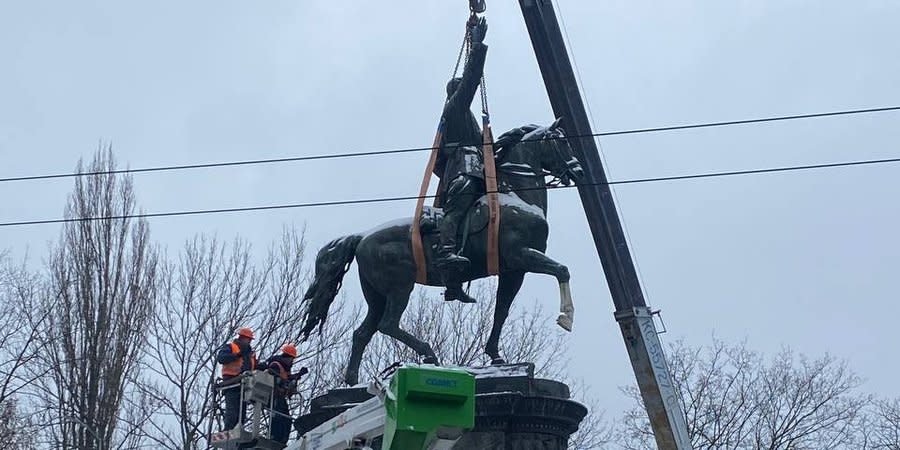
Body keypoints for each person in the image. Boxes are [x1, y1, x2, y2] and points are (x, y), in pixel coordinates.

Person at [434, 16, 489, 304]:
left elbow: (485, 146)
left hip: (479, 167)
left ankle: (457, 279)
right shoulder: (455, 108)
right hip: (463, 171)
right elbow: (470, 81)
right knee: (456, 210)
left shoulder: (467, 120)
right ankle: (445, 252)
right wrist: (476, 46)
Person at [261, 343, 308, 444]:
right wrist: (286, 384)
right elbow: (276, 380)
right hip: (273, 396)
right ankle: (275, 437)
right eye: (291, 359)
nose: (292, 361)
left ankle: (282, 440)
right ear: (287, 357)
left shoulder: (285, 369)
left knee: (287, 419)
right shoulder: (275, 365)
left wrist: (297, 376)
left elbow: (287, 381)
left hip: (279, 397)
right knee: (278, 417)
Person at [216, 327, 257, 430]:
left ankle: (238, 435)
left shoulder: (249, 354)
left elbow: (255, 366)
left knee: (241, 417)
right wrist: (237, 355)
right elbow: (221, 358)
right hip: (231, 384)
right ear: (242, 338)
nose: (249, 342)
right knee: (232, 414)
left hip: (244, 385)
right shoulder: (230, 347)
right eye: (248, 339)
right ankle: (228, 432)